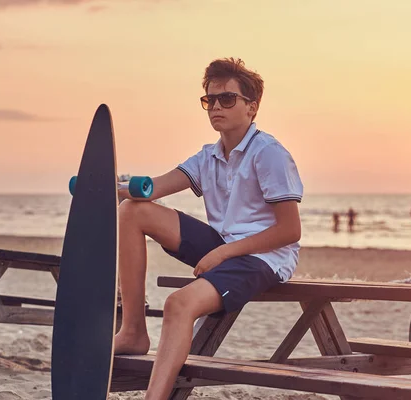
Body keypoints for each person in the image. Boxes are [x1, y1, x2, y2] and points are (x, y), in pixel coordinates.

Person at [114, 58, 303, 400]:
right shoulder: (208, 156)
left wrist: (223, 252)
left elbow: (290, 231)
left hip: (263, 258)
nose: (216, 106)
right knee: (131, 211)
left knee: (178, 304)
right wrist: (107, 186)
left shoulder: (269, 154)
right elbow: (151, 189)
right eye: (209, 100)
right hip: (224, 245)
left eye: (227, 99)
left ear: (251, 107)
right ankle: (132, 331)